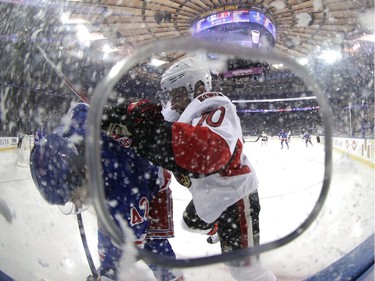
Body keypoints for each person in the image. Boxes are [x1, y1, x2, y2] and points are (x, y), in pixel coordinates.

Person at [104, 56, 277, 281]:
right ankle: (217, 228)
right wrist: (121, 119)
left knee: (246, 270)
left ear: (198, 88)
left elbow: (210, 152)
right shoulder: (180, 114)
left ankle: (230, 236)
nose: (174, 102)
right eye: (171, 95)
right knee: (190, 222)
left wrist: (150, 134)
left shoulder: (216, 106)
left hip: (235, 196)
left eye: (177, 94)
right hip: (210, 196)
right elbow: (154, 124)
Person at [29, 102, 184, 281]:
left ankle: (171, 277)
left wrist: (109, 272)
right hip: (120, 175)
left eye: (74, 196)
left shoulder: (124, 194)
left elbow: (130, 245)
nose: (78, 203)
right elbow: (80, 108)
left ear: (83, 171)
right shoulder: (75, 135)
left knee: (152, 243)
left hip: (153, 183)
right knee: (106, 237)